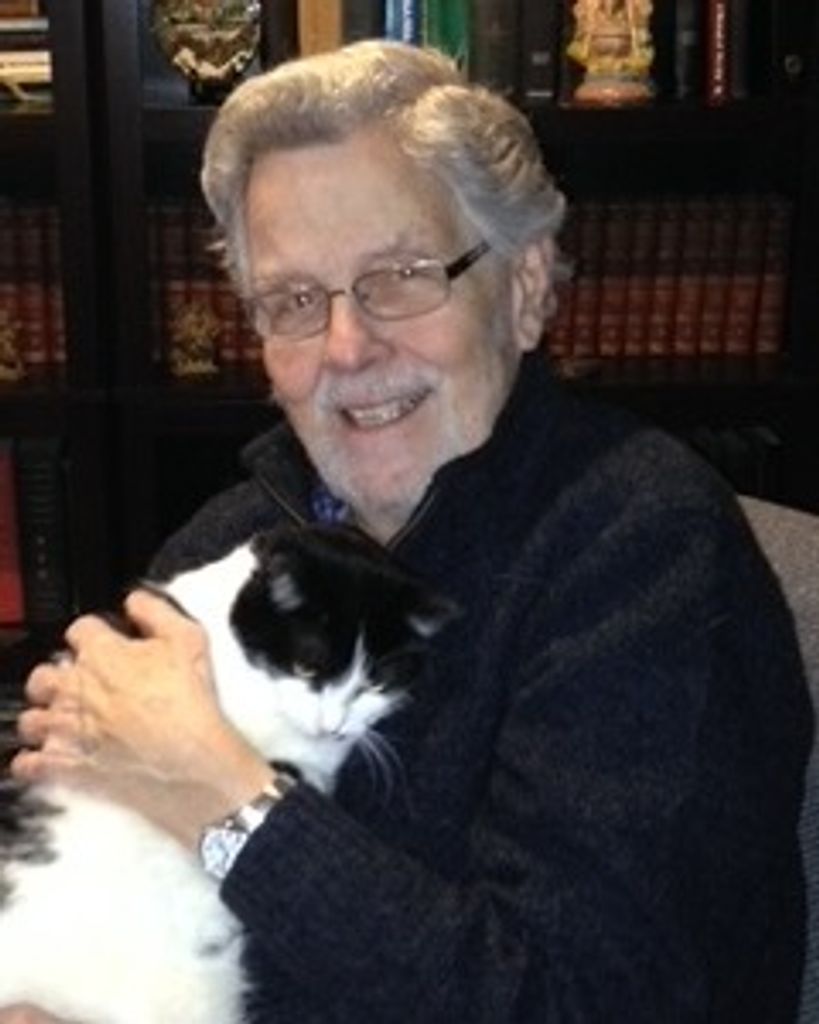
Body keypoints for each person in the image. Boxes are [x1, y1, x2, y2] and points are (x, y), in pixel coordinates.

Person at [2, 40, 812, 1023]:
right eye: (296, 300)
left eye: (400, 274)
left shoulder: (642, 547)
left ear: (523, 288)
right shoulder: (231, 539)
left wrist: (222, 797)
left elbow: (576, 1001)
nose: (347, 345)